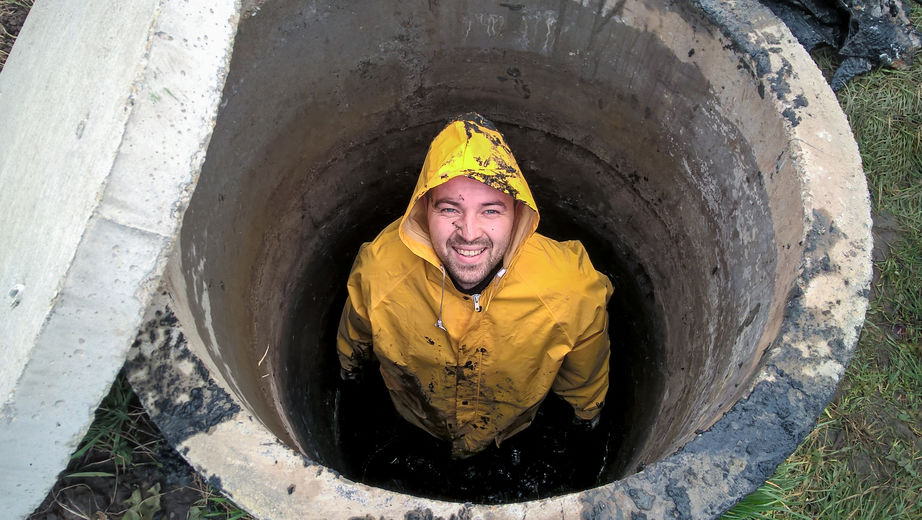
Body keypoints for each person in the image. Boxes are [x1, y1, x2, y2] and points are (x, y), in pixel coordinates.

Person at [337, 113, 612, 458]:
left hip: (510, 434)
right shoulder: (381, 272)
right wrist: (351, 378)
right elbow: (354, 341)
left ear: (517, 212)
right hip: (418, 423)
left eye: (491, 211)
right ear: (425, 208)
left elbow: (585, 377)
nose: (468, 232)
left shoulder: (569, 288)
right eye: (450, 208)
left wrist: (585, 421)